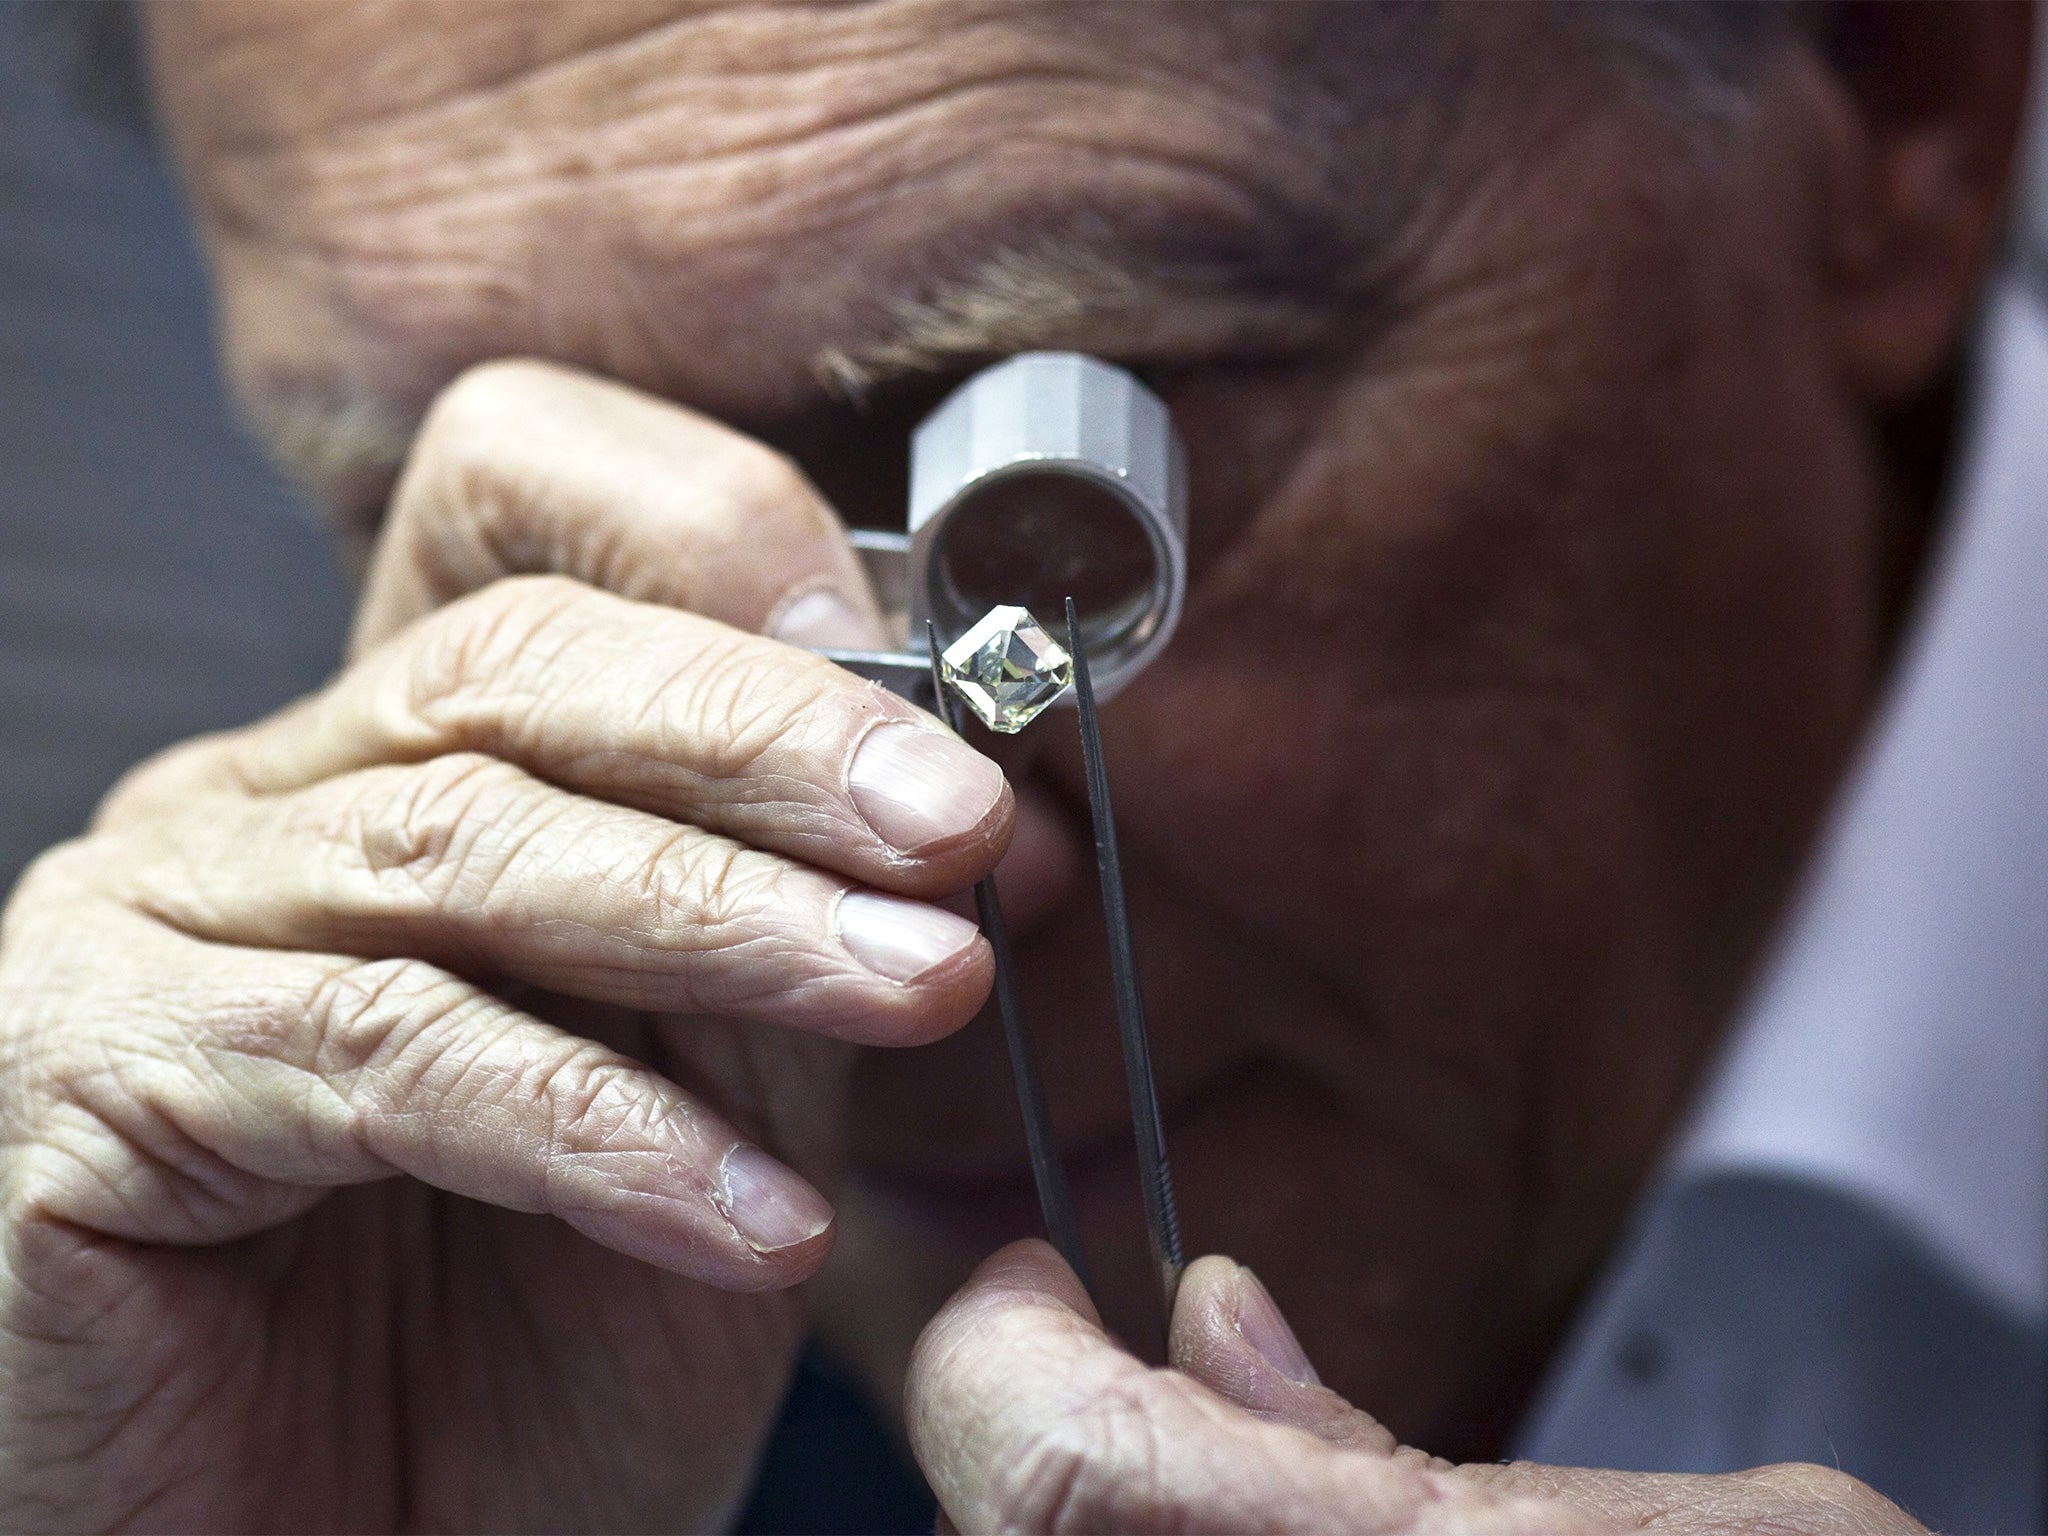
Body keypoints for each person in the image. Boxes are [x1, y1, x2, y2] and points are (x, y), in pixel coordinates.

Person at [0, 3, 2035, 1529]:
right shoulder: (391, 1333)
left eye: (1042, 487)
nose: (809, 836)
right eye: (485, 522)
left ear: (1895, 94)